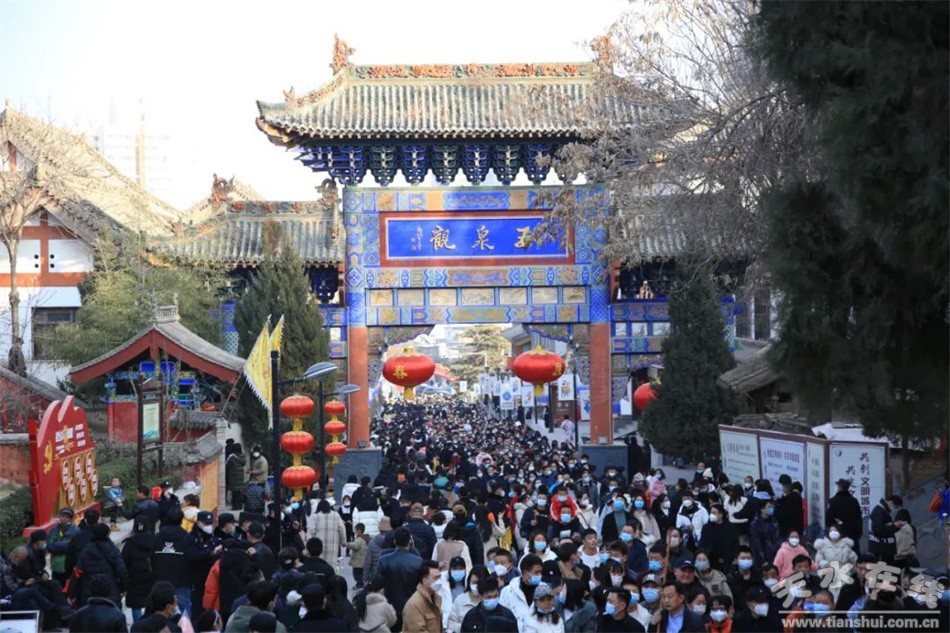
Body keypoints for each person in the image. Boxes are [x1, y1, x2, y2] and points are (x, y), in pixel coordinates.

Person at [70, 522, 128, 608]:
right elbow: (122, 570)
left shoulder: (86, 551)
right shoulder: (112, 550)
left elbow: (77, 572)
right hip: (111, 591)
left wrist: (72, 593)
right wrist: (124, 587)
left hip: (89, 591)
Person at [379, 527, 425, 620]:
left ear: (394, 541)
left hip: (390, 606)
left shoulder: (383, 560)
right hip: (412, 606)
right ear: (410, 541)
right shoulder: (418, 561)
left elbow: (378, 585)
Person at [123, 514, 156, 622]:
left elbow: (123, 561)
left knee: (136, 605)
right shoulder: (155, 540)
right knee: (151, 604)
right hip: (151, 576)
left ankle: (138, 626)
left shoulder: (130, 543)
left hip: (134, 578)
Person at [499, 553, 543, 626]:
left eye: (541, 572)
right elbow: (503, 617)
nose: (540, 575)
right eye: (536, 572)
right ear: (525, 573)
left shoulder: (545, 589)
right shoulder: (508, 591)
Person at [402, 560, 444, 633]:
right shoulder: (414, 604)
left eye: (439, 577)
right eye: (435, 578)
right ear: (424, 580)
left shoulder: (436, 599)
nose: (439, 581)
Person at [306, 500, 347, 569]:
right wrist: (343, 542)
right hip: (333, 544)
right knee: (332, 564)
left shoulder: (316, 516)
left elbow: (311, 531)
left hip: (319, 545)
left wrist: (308, 547)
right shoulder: (336, 515)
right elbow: (342, 528)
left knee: (320, 565)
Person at [47, 506, 79, 586]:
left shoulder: (76, 531)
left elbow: (72, 547)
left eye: (67, 517)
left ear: (70, 519)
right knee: (56, 588)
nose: (64, 518)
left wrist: (56, 544)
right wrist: (63, 547)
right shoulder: (53, 530)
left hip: (68, 566)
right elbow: (49, 546)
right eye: (62, 516)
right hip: (55, 566)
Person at [748, 501, 780, 567]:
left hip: (775, 555)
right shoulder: (755, 524)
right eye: (769, 507)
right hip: (763, 557)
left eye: (772, 507)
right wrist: (763, 560)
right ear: (762, 509)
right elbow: (756, 544)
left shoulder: (774, 521)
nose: (772, 509)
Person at [868, 496, 898, 565]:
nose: (894, 509)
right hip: (880, 548)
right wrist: (894, 526)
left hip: (880, 548)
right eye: (895, 506)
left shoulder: (881, 510)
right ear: (890, 502)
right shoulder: (879, 511)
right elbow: (878, 531)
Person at [346, 522, 370, 588]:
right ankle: (359, 583)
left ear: (359, 531)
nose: (355, 531)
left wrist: (347, 544)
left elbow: (355, 546)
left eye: (356, 530)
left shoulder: (359, 539)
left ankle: (360, 584)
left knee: (356, 574)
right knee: (361, 574)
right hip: (363, 561)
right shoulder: (365, 538)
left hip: (358, 561)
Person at [226, 444, 247, 511]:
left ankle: (235, 507)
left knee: (234, 494)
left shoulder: (231, 457)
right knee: (239, 493)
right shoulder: (243, 456)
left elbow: (227, 465)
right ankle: (239, 506)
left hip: (233, 478)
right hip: (240, 478)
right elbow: (244, 464)